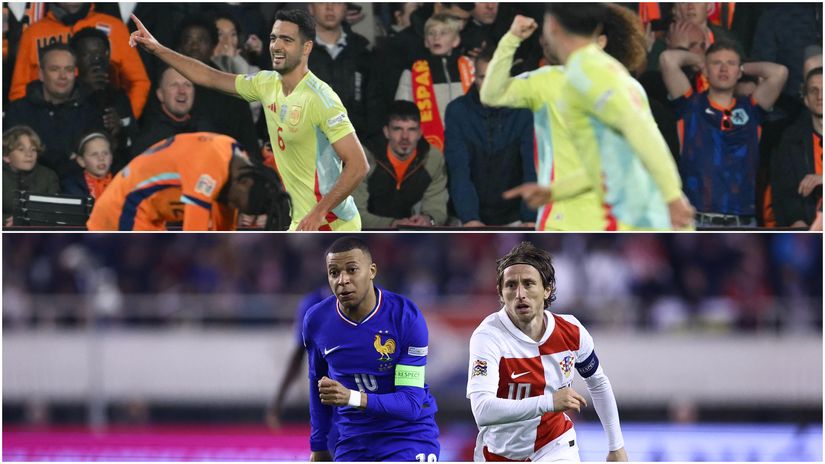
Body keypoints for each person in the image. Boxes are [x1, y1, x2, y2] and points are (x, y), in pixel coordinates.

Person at [129, 9, 368, 231]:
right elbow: (209, 76)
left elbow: (358, 165)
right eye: (274, 38)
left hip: (330, 223)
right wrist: (157, 48)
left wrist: (319, 212)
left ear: (306, 48)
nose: (276, 46)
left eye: (287, 40)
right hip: (300, 220)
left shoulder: (321, 99)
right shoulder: (266, 83)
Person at [496, 5, 693, 231]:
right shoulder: (568, 83)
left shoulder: (605, 84)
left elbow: (645, 143)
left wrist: (672, 197)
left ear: (601, 42)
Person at [467, 241, 626, 462]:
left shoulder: (571, 331)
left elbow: (598, 382)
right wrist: (549, 402)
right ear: (501, 293)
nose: (520, 293)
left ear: (547, 289)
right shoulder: (488, 336)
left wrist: (616, 446)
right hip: (498, 452)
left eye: (529, 283)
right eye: (511, 285)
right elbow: (483, 411)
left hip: (556, 446)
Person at [303, 237, 440, 461]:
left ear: (372, 271)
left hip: (407, 436)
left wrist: (351, 397)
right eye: (334, 272)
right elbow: (317, 384)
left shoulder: (405, 317)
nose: (343, 280)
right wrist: (318, 445)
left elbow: (411, 403)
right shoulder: (317, 320)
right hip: (353, 439)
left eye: (352, 270)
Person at [660, 39, 788, 227]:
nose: (723, 69)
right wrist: (700, 61)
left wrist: (742, 68)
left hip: (743, 222)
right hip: (696, 220)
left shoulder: (752, 109)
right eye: (716, 63)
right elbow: (667, 59)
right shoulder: (690, 105)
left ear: (739, 72)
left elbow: (779, 73)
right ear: (705, 69)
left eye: (730, 64)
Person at [86, 132, 291, 231]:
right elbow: (194, 235)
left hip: (150, 213)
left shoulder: (236, 165)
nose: (232, 206)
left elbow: (224, 232)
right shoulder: (209, 166)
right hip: (122, 207)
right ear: (244, 183)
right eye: (236, 203)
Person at [444, 48, 536, 227]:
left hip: (515, 216)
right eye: (482, 77)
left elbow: (531, 168)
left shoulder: (525, 112)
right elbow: (459, 170)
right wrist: (470, 218)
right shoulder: (458, 111)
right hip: (466, 214)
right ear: (474, 78)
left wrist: (530, 217)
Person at [9, 3, 150, 118]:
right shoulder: (33, 33)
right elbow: (19, 89)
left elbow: (139, 82)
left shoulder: (116, 27)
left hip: (103, 123)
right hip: (45, 124)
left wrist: (124, 120)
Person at [3, 43, 104, 180]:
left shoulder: (91, 111)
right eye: (54, 69)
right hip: (29, 188)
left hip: (78, 190)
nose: (63, 76)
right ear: (41, 74)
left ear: (75, 73)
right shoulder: (18, 111)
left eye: (68, 70)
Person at [353, 100, 448, 229]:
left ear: (420, 132)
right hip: (366, 233)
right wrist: (392, 225)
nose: (405, 136)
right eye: (397, 129)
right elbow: (354, 215)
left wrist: (428, 220)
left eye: (412, 129)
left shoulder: (433, 159)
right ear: (386, 132)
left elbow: (437, 209)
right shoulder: (364, 157)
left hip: (412, 234)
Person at [395, 13, 475, 153]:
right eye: (431, 34)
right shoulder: (413, 71)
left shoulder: (469, 67)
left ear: (456, 40)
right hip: (430, 145)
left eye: (443, 33)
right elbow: (402, 111)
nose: (436, 37)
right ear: (426, 41)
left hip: (469, 143)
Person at [69, 27, 138, 171]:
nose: (95, 59)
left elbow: (134, 145)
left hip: (114, 173)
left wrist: (120, 131)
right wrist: (86, 90)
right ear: (75, 59)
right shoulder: (67, 94)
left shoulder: (119, 97)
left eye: (100, 53)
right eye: (87, 54)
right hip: (75, 175)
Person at [307, 2, 372, 136]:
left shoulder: (362, 51)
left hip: (357, 141)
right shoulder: (296, 51)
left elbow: (374, 103)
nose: (329, 7)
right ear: (311, 8)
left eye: (337, 2)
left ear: (345, 9)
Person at [771, 67, 823, 227]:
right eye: (814, 91)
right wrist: (797, 222)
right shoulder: (791, 139)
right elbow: (785, 191)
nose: (820, 96)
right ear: (806, 99)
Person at [132, 66, 215, 155]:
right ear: (160, 95)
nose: (182, 91)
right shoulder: (148, 140)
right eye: (174, 85)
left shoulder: (207, 131)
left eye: (187, 85)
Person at [2, 125, 59, 226]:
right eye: (21, 149)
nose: (29, 154)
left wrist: (30, 218)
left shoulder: (48, 176)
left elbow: (56, 212)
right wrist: (6, 221)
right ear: (6, 156)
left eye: (33, 149)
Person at [61, 132, 114, 199]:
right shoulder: (71, 187)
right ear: (81, 161)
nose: (101, 158)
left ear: (112, 157)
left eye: (105, 153)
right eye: (94, 154)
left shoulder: (123, 182)